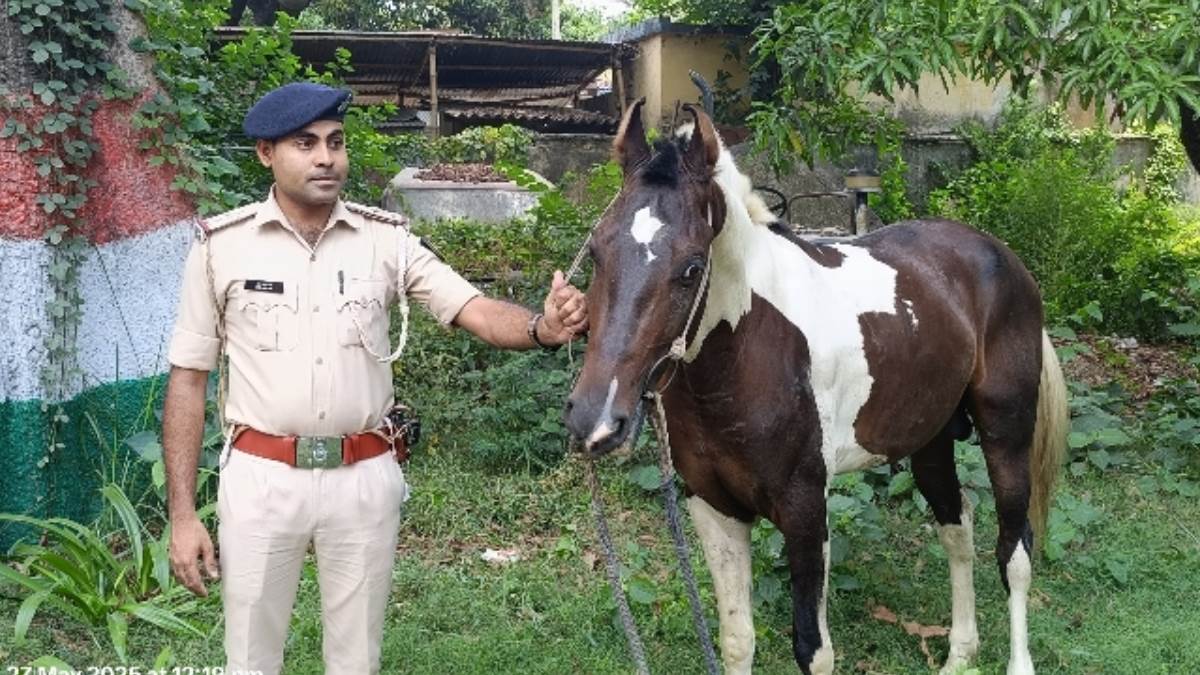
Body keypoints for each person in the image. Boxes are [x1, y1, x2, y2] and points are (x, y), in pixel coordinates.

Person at [162, 82, 588, 675]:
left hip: (362, 478)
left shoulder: (385, 241)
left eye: (336, 143)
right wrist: (183, 516)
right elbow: (187, 381)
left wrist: (544, 325)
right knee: (250, 659)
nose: (325, 158)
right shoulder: (220, 248)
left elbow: (478, 311)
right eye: (305, 143)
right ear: (266, 153)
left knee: (357, 659)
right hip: (260, 481)